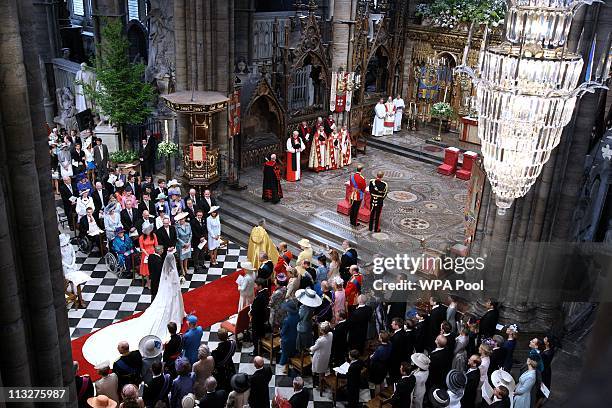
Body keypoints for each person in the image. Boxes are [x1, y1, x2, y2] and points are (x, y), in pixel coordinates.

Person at [81, 248, 185, 365]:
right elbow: (173, 280)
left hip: (167, 288)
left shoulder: (161, 264)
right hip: (170, 288)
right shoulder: (168, 268)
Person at [211, 328, 237, 392]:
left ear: (219, 338)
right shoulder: (233, 342)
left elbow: (215, 363)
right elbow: (233, 353)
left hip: (222, 369)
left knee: (223, 380)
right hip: (230, 363)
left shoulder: (216, 351)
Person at [279, 300, 300, 373]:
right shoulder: (298, 315)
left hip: (287, 339)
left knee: (285, 353)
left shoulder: (287, 320)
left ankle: (286, 367)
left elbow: (283, 332)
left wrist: (280, 332)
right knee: (292, 352)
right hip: (296, 337)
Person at [250, 278, 269, 356]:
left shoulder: (259, 297)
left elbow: (255, 310)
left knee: (255, 335)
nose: (254, 286)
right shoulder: (265, 292)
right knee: (261, 333)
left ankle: (256, 351)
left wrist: (251, 312)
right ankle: (260, 347)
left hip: (257, 319)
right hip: (263, 317)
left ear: (260, 286)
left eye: (256, 285)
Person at [311, 321, 333, 386]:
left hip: (319, 357)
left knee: (318, 370)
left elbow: (313, 348)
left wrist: (310, 348)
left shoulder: (320, 340)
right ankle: (322, 382)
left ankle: (319, 383)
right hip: (326, 355)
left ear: (322, 331)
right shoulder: (331, 334)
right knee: (323, 369)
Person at [175, 212, 192, 276]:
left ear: (184, 219)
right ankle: (182, 269)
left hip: (188, 243)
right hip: (181, 244)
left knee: (186, 256)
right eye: (180, 219)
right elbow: (177, 237)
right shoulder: (177, 227)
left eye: (183, 219)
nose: (182, 220)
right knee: (181, 257)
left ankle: (185, 267)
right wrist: (184, 244)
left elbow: (190, 234)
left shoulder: (188, 224)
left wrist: (188, 242)